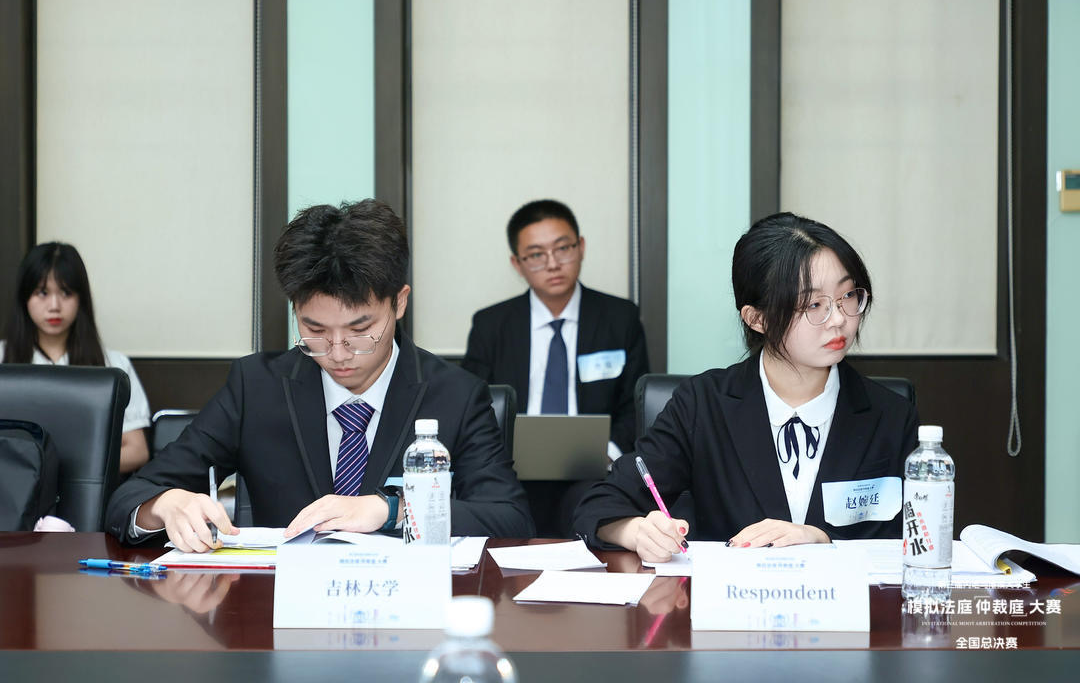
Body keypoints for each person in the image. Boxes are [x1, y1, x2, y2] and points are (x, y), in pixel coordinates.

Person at [105, 200, 533, 551]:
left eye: (361, 330)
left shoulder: (455, 394)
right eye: (315, 330)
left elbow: (510, 517)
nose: (338, 352)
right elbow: (128, 498)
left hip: (406, 609)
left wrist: (393, 510)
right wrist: (165, 504)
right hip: (280, 611)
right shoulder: (257, 387)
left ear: (399, 302)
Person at [572, 212, 918, 562]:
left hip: (848, 597)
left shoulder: (890, 415)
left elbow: (920, 536)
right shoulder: (703, 405)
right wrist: (636, 532)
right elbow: (600, 504)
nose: (841, 318)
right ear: (757, 318)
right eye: (815, 304)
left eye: (848, 295)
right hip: (730, 596)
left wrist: (823, 540)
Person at [461, 199, 650, 536]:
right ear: (517, 264)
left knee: (592, 506)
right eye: (536, 254)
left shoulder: (620, 318)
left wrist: (605, 454)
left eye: (562, 248)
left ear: (581, 247)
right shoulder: (491, 325)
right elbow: (475, 407)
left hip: (594, 471)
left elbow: (634, 407)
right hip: (510, 470)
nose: (552, 264)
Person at [2, 242, 150, 474]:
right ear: (25, 298)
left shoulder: (113, 364)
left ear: (81, 299)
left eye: (66, 293)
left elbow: (137, 450)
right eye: (42, 293)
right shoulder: (2, 357)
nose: (54, 306)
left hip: (88, 487)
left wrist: (72, 470)